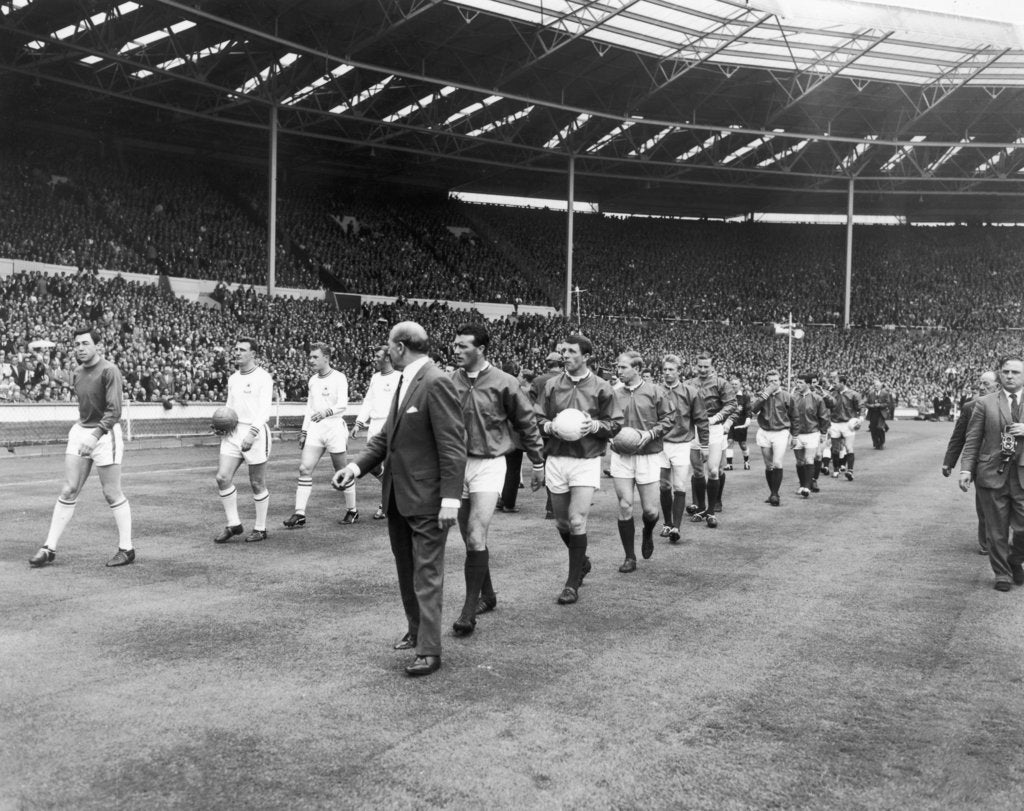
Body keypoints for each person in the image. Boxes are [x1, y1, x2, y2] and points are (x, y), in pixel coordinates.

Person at [333, 321, 466, 676]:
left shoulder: (436, 382)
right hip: (398, 495)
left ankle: (430, 651)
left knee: (426, 573)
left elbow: (453, 446)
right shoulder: (407, 379)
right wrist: (356, 468)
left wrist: (450, 499)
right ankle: (416, 630)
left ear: (401, 347)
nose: (386, 349)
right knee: (407, 571)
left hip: (426, 498)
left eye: (389, 344)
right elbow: (385, 438)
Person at [449, 325, 544, 635]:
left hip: (490, 465)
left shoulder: (506, 382)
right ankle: (487, 596)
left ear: (482, 349)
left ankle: (467, 613)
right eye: (455, 345)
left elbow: (527, 422)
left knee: (476, 535)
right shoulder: (450, 380)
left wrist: (538, 461)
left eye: (463, 346)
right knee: (468, 538)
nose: (457, 350)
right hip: (455, 465)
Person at [29, 325, 134, 568]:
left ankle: (127, 549)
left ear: (97, 345)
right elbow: (64, 381)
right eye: (77, 344)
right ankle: (49, 547)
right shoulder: (77, 371)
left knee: (111, 493)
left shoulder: (110, 370)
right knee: (68, 489)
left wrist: (96, 435)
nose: (80, 348)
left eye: (85, 343)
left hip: (106, 433)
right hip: (81, 431)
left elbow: (114, 411)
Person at [534, 334, 622, 605]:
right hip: (557, 458)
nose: (565, 355)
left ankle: (571, 584)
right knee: (561, 522)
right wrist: (548, 426)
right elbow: (536, 418)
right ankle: (581, 560)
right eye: (563, 351)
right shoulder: (551, 385)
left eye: (572, 351)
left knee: (576, 520)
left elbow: (615, 423)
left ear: (586, 356)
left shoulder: (602, 387)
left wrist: (595, 426)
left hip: (586, 459)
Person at [959, 354, 1024, 592]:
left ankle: (1015, 560)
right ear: (1000, 374)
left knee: (1021, 528)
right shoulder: (985, 403)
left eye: (1015, 372)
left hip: (1022, 475)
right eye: (1005, 371)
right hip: (992, 473)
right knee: (996, 529)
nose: (1009, 376)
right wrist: (966, 469)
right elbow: (973, 438)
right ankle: (1002, 574)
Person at [609, 351, 675, 572]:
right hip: (622, 456)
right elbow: (605, 421)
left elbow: (669, 419)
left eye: (623, 367)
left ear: (637, 369)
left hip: (648, 456)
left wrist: (652, 433)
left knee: (650, 511)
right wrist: (609, 436)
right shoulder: (613, 393)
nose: (619, 371)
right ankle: (630, 557)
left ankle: (647, 533)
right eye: (618, 367)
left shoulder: (655, 391)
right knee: (625, 505)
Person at [283, 343, 355, 529]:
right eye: (310, 357)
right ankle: (299, 514)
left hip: (334, 428)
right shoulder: (313, 380)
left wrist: (326, 412)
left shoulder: (339, 377)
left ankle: (352, 510)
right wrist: (304, 431)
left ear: (326, 358)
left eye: (315, 357)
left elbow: (342, 405)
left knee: (341, 471)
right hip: (316, 429)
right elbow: (310, 408)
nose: (311, 360)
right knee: (304, 468)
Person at [212, 337, 274, 544]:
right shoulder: (233, 378)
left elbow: (265, 410)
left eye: (242, 350)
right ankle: (233, 524)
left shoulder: (263, 377)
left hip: (254, 433)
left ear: (253, 354)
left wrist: (252, 433)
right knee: (222, 477)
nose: (237, 352)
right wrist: (222, 426)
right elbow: (229, 408)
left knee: (257, 483)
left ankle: (260, 528)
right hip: (233, 432)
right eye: (235, 349)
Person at [944, 370, 999, 555]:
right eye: (980, 384)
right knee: (984, 506)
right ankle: (986, 545)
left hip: (1008, 463)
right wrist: (949, 462)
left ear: (998, 386)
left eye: (986, 384)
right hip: (981, 464)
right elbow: (959, 436)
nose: (981, 387)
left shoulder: (1015, 405)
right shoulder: (970, 407)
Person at [657, 354, 709, 543]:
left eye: (671, 369)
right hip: (660, 444)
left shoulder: (690, 392)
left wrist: (704, 445)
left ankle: (676, 527)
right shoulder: (655, 391)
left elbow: (701, 419)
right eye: (665, 369)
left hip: (682, 444)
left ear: (679, 371)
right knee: (664, 486)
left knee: (679, 485)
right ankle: (667, 522)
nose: (668, 373)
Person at [687, 353, 737, 528]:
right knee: (698, 472)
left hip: (713, 429)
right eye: (699, 366)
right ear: (696, 366)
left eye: (706, 366)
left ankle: (711, 511)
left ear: (712, 366)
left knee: (714, 471)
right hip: (694, 429)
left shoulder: (721, 383)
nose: (702, 369)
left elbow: (732, 404)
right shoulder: (689, 384)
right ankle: (701, 508)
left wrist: (715, 418)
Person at [352, 345, 400, 520]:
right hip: (374, 426)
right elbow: (368, 401)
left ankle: (385, 503)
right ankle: (390, 494)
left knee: (390, 467)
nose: (374, 359)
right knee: (372, 466)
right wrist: (359, 422)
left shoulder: (398, 377)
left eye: (377, 356)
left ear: (387, 358)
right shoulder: (375, 377)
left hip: (390, 426)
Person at [749, 369, 797, 506]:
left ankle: (775, 494)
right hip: (764, 431)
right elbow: (752, 410)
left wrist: (795, 435)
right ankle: (772, 493)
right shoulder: (762, 396)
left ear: (780, 381)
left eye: (775, 380)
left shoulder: (787, 396)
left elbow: (795, 416)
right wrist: (765, 395)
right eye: (770, 381)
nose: (773, 383)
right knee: (769, 465)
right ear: (766, 383)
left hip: (781, 432)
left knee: (777, 463)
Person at [530, 349, 565, 520]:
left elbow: (530, 406)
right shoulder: (565, 380)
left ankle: (551, 507)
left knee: (549, 467)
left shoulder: (537, 380)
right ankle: (559, 505)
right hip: (563, 428)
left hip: (542, 429)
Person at [790, 373, 831, 498]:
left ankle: (807, 487)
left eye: (801, 383)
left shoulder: (817, 398)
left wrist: (823, 433)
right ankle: (802, 485)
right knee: (799, 462)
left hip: (812, 433)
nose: (798, 385)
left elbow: (823, 417)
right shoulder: (793, 398)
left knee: (809, 459)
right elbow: (789, 415)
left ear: (808, 384)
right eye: (797, 382)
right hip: (797, 434)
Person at [826, 374, 864, 481]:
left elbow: (861, 407)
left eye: (836, 383)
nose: (834, 385)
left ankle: (850, 471)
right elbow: (827, 406)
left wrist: (860, 419)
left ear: (842, 383)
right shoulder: (833, 394)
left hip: (848, 424)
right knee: (835, 449)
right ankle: (836, 470)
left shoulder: (853, 394)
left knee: (848, 447)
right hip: (835, 423)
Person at [724, 376, 751, 471]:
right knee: (729, 442)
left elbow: (748, 409)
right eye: (732, 384)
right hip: (729, 423)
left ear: (740, 385)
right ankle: (729, 464)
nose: (734, 386)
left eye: (736, 384)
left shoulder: (745, 397)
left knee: (742, 444)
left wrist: (748, 418)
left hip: (740, 423)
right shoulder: (726, 396)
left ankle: (746, 462)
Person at [864, 378, 895, 450]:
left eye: (877, 385)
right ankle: (876, 443)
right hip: (873, 413)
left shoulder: (885, 393)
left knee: (880, 428)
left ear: (880, 386)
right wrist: (870, 406)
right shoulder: (870, 393)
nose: (875, 386)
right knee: (873, 429)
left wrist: (880, 405)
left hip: (881, 413)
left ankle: (881, 443)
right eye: (875, 385)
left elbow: (888, 403)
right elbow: (866, 403)